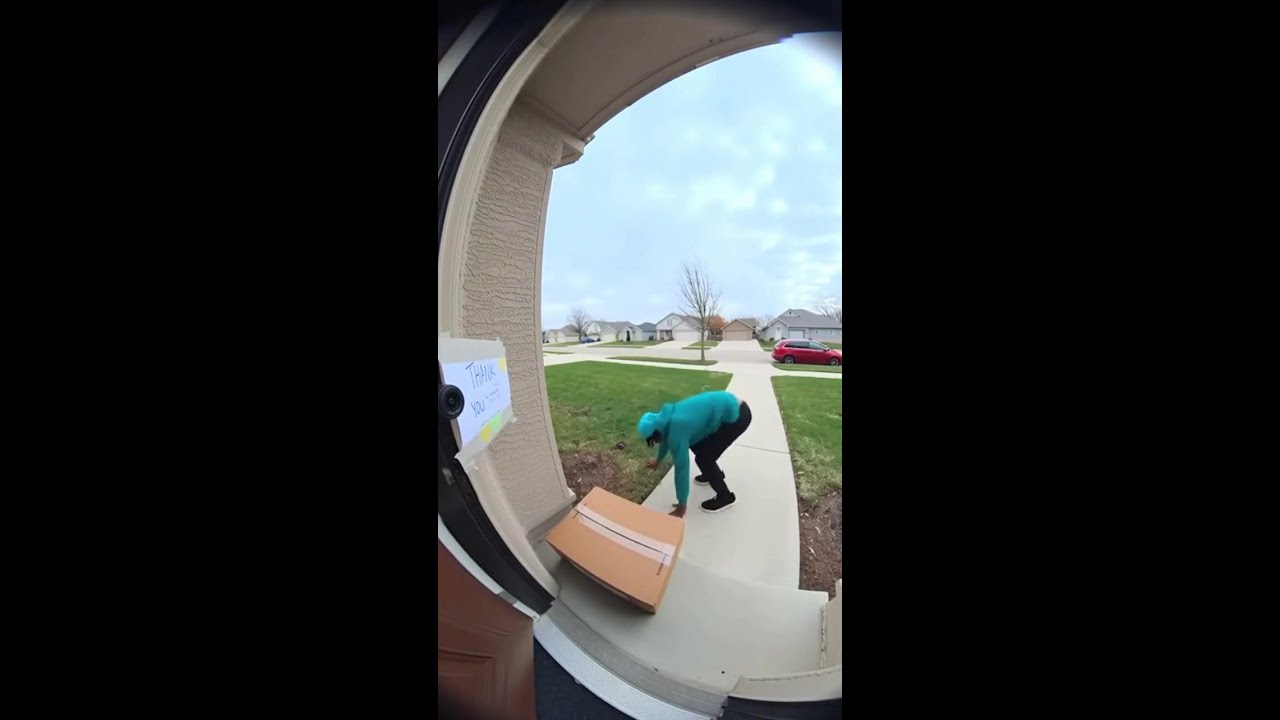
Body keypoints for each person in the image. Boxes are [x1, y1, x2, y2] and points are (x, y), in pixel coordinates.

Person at [636, 390, 753, 517]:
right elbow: (665, 438)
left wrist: (682, 505)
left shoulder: (677, 430)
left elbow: (682, 468)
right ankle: (712, 474)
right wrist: (658, 460)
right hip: (730, 407)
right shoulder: (666, 418)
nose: (656, 442)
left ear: (656, 434)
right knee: (696, 444)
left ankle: (725, 497)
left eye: (654, 440)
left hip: (737, 417)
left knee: (704, 459)